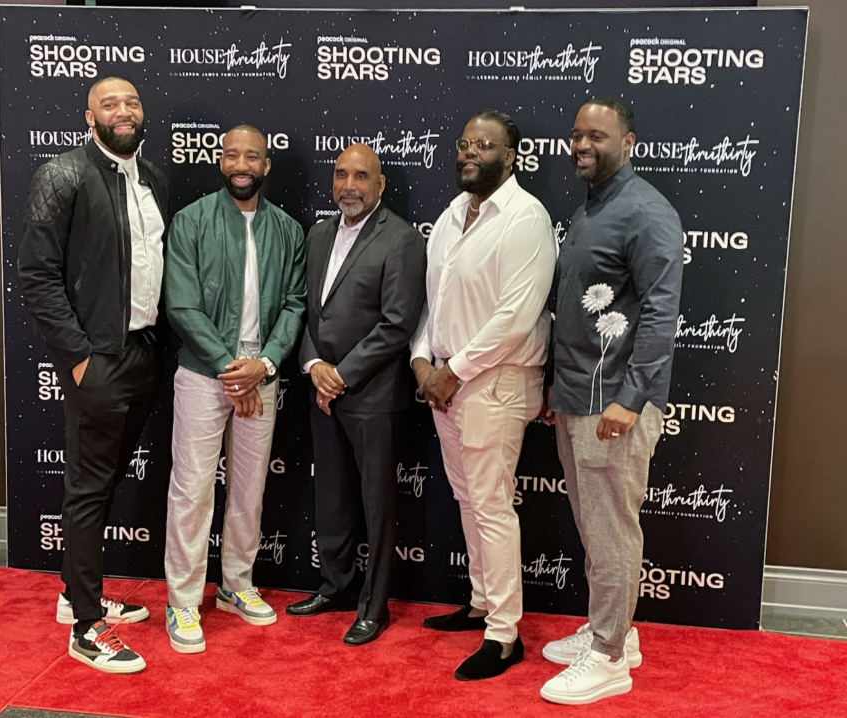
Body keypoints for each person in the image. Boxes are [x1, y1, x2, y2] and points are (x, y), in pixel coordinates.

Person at [18, 77, 168, 673]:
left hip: (144, 354)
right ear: (88, 116)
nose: (124, 111)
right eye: (111, 103)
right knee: (86, 490)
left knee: (101, 486)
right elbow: (36, 274)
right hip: (96, 361)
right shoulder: (62, 175)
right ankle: (85, 627)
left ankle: (72, 592)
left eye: (132, 102)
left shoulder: (153, 176)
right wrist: (80, 355)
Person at [538, 96, 683, 705]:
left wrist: (631, 397)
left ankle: (607, 658)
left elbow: (659, 312)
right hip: (577, 396)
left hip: (613, 405)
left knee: (613, 528)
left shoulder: (647, 212)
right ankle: (615, 635)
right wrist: (558, 390)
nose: (583, 145)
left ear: (629, 141)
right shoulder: (594, 207)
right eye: (576, 135)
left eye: (597, 135)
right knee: (594, 527)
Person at [411, 109, 557, 680]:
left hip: (494, 382)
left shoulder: (526, 217)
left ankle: (504, 634)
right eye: (465, 143)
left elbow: (516, 317)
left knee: (492, 504)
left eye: (486, 145)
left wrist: (455, 370)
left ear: (511, 155)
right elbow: (435, 301)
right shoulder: (452, 215)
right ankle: (480, 603)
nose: (472, 152)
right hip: (446, 381)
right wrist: (423, 358)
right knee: (469, 498)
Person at [162, 124, 306, 654]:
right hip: (205, 375)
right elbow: (181, 304)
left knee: (248, 490)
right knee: (193, 488)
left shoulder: (287, 230)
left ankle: (236, 585)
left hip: (261, 375)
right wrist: (231, 367)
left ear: (267, 165)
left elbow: (294, 305)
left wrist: (262, 365)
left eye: (252, 155)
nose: (241, 163)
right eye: (231, 155)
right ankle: (182, 598)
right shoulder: (191, 221)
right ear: (220, 162)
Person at [285, 144, 426, 646]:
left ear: (380, 184)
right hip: (322, 389)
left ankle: (374, 604)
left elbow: (397, 324)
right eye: (341, 174)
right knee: (334, 498)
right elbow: (304, 310)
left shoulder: (403, 240)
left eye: (361, 176)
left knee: (376, 504)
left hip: (372, 395)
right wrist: (313, 365)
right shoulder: (318, 234)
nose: (350, 185)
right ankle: (337, 586)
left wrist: (340, 374)